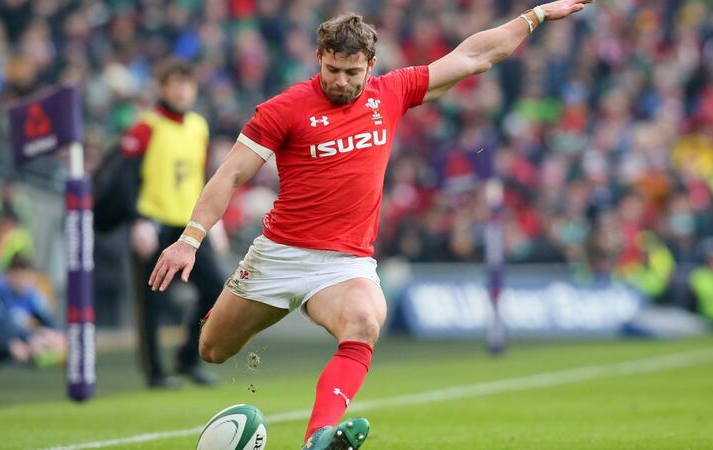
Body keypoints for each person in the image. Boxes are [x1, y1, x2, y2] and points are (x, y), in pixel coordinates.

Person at [149, 2, 593, 448]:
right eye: (333, 70)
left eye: (352, 72)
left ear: (371, 65)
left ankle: (319, 436)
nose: (341, 81)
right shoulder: (284, 109)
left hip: (346, 263)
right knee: (213, 350)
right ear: (319, 58)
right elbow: (231, 174)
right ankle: (223, 316)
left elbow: (475, 56)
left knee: (363, 323)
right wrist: (190, 239)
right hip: (280, 253)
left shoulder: (391, 92)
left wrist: (535, 15)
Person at [120, 58, 225, 388]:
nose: (182, 91)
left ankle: (185, 358)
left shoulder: (198, 126)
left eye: (187, 84)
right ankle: (155, 373)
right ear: (163, 88)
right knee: (151, 300)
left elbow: (203, 177)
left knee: (215, 289)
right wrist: (138, 220)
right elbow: (125, 178)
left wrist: (214, 221)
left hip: (190, 227)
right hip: (155, 224)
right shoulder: (146, 127)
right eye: (175, 84)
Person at [0, 253, 64, 366]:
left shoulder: (33, 296)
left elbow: (50, 323)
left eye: (25, 277)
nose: (21, 281)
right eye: (17, 276)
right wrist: (8, 345)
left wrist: (47, 336)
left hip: (26, 345)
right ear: (9, 274)